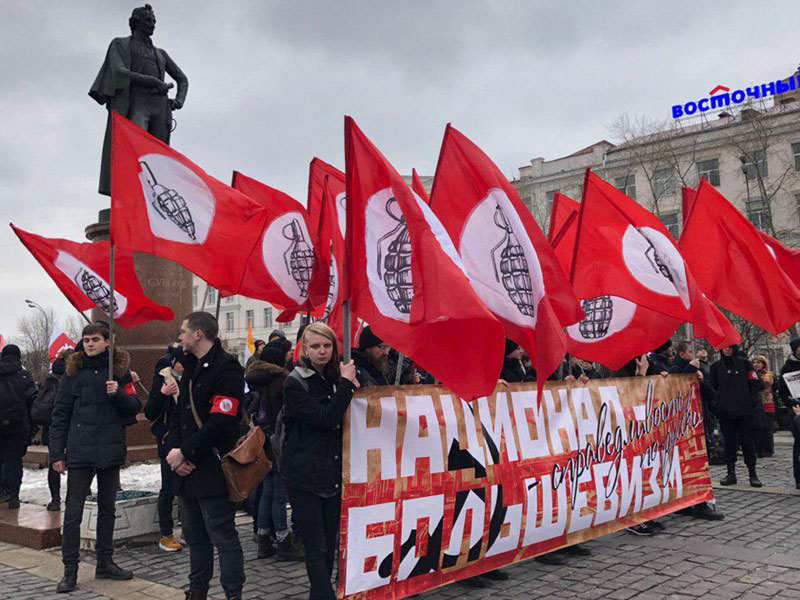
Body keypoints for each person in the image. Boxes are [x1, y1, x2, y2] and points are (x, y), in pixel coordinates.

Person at [49, 323, 141, 593]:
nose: (89, 344)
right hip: (80, 451)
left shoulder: (120, 371)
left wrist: (120, 393)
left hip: (110, 450)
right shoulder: (72, 371)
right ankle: (70, 570)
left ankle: (105, 562)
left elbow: (135, 408)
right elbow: (60, 414)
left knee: (107, 510)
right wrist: (57, 454)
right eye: (86, 340)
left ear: (108, 341)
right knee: (73, 513)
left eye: (95, 339)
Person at [164, 312, 245, 600]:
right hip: (187, 471)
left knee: (223, 537)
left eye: (183, 331)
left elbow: (221, 421)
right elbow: (179, 415)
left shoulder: (227, 368)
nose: (180, 337)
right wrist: (176, 454)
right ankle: (197, 591)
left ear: (199, 334)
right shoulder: (190, 367)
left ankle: (233, 593)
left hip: (212, 467)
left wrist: (185, 452)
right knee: (195, 538)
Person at [282, 322, 358, 600]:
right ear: (305, 349)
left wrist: (347, 384)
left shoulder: (335, 378)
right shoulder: (295, 382)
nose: (322, 351)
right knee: (316, 548)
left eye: (327, 346)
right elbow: (326, 418)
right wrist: (347, 386)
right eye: (316, 346)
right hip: (303, 475)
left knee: (329, 545)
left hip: (331, 472)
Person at [245, 344, 303, 562]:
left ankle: (263, 540)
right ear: (279, 360)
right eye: (287, 355)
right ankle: (282, 541)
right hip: (278, 444)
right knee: (278, 495)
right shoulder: (281, 382)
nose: (290, 357)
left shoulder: (258, 379)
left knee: (267, 493)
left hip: (263, 444)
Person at [668, 341, 724, 521]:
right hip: (685, 425)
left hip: (701, 419)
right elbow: (676, 390)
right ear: (682, 354)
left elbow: (711, 395)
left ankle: (697, 501)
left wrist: (702, 380)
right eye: (690, 351)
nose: (694, 354)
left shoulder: (698, 369)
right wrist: (689, 372)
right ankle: (696, 503)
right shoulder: (676, 369)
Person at [144, 343, 185, 553]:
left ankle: (187, 529)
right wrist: (162, 393)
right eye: (182, 362)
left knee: (187, 488)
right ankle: (166, 534)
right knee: (168, 489)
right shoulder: (163, 378)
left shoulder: (191, 377)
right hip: (168, 441)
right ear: (174, 363)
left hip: (188, 441)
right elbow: (150, 411)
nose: (185, 366)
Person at [709, 345, 763, 488]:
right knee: (729, 443)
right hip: (726, 413)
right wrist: (717, 406)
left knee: (747, 443)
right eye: (724, 347)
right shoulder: (716, 367)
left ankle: (753, 474)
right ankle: (730, 473)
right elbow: (712, 389)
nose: (727, 349)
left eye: (730, 347)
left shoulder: (745, 363)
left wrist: (752, 402)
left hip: (744, 412)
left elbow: (757, 384)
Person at [0, 345, 37, 510]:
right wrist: (32, 426)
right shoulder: (25, 376)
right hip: (18, 426)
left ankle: (1, 491)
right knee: (15, 462)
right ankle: (14, 497)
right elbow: (33, 401)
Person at [40, 349, 74, 512]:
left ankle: (55, 500)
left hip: (52, 426)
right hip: (73, 425)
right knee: (76, 464)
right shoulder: (73, 376)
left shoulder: (50, 377)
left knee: (54, 463)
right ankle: (77, 496)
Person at [778, 338, 800, 489]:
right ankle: (798, 478)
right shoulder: (788, 367)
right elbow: (783, 391)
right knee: (799, 444)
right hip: (796, 409)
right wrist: (791, 403)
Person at [752, 355, 775, 458]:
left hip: (767, 404)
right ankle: (759, 449)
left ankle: (768, 449)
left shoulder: (768, 374)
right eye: (754, 363)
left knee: (768, 428)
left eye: (758, 362)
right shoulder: (753, 374)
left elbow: (765, 384)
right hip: (757, 404)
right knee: (758, 428)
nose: (756, 365)